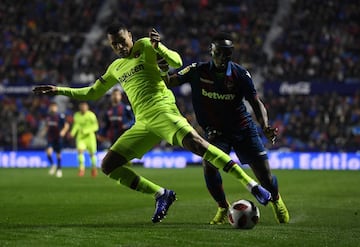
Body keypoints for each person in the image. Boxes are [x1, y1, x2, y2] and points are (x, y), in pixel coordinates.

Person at [33, 23, 271, 223]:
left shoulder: (146, 46)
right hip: (143, 123)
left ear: (130, 37)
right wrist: (59, 90)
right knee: (109, 165)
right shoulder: (115, 67)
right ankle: (162, 194)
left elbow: (176, 61)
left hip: (163, 112)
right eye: (113, 44)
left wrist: (160, 47)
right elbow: (92, 93)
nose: (119, 47)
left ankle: (251, 185)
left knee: (199, 146)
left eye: (121, 41)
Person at [162, 32, 289, 224]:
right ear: (211, 51)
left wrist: (265, 125)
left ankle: (276, 200)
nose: (222, 58)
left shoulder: (240, 74)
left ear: (231, 54)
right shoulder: (197, 70)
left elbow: (256, 103)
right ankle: (222, 207)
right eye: (218, 53)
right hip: (216, 132)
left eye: (227, 54)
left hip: (243, 129)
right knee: (209, 166)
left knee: (265, 176)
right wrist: (161, 68)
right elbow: (169, 81)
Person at [70, 102, 99, 177]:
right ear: (80, 107)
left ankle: (94, 168)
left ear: (87, 107)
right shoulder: (76, 115)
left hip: (90, 137)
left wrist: (86, 130)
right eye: (82, 107)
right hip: (80, 137)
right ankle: (81, 169)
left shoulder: (91, 115)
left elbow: (96, 126)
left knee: (92, 154)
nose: (83, 108)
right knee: (80, 152)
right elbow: (76, 125)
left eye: (84, 107)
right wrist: (72, 133)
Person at [45, 102, 69, 178]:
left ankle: (59, 170)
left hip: (58, 137)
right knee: (48, 152)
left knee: (58, 154)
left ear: (56, 108)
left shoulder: (60, 116)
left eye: (54, 107)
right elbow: (47, 125)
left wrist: (63, 131)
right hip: (50, 137)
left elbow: (66, 125)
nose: (53, 108)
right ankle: (53, 165)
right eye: (52, 107)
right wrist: (45, 131)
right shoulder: (48, 116)